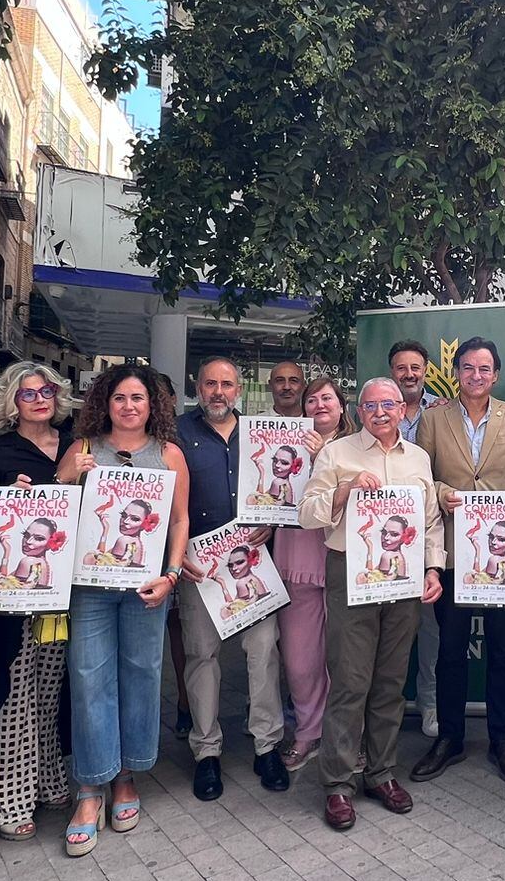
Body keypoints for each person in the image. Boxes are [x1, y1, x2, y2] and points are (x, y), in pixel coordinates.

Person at [301, 379, 444, 830]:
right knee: (350, 680)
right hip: (350, 575)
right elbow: (306, 512)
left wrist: (433, 569)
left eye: (389, 404)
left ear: (403, 409)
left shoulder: (418, 458)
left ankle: (381, 774)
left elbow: (431, 521)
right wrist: (343, 492)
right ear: (359, 411)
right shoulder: (337, 453)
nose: (380, 412)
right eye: (370, 405)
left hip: (403, 581)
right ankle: (338, 784)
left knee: (389, 682)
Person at [57, 364, 187, 851]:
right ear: (104, 404)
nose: (129, 406)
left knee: (141, 675)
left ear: (153, 404)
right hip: (88, 586)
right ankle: (90, 786)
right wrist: (67, 478)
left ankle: (126, 775)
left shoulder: (169, 455)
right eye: (119, 398)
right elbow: (52, 519)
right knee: (90, 679)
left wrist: (171, 575)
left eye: (138, 398)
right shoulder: (83, 450)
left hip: (146, 586)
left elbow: (179, 522)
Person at [414, 338, 505, 786]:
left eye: (484, 369)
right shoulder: (433, 419)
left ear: (496, 374)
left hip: (502, 555)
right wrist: (442, 493)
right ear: (457, 373)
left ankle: (501, 741)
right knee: (450, 649)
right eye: (467, 368)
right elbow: (421, 474)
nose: (475, 376)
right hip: (452, 551)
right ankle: (449, 739)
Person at [0, 361, 78, 843]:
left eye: (47, 390)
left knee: (53, 686)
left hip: (67, 587)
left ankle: (50, 778)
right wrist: (54, 484)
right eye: (27, 393)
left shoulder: (79, 444)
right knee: (14, 691)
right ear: (10, 402)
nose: (39, 398)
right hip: (15, 593)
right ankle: (7, 798)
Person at [173, 357, 288, 799]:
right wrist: (175, 552)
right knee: (202, 656)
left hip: (254, 561)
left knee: (263, 652)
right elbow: (163, 496)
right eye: (209, 383)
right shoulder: (177, 434)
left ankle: (267, 745)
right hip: (199, 564)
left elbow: (281, 490)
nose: (218, 391)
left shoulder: (260, 434)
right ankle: (206, 751)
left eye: (226, 384)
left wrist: (274, 522)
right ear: (197, 386)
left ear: (239, 390)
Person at [269, 376, 349, 773]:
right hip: (296, 555)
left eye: (327, 398)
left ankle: (344, 735)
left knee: (344, 659)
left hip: (342, 559)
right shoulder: (282, 443)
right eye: (312, 399)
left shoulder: (358, 445)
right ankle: (307, 730)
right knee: (300, 660)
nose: (319, 404)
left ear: (341, 406)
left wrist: (325, 457)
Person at [388, 341, 445, 736]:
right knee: (383, 632)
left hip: (425, 530)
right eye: (401, 367)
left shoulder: (444, 411)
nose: (409, 373)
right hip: (381, 536)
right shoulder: (375, 408)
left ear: (426, 370)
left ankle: (430, 704)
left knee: (429, 631)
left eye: (415, 367)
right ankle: (382, 715)